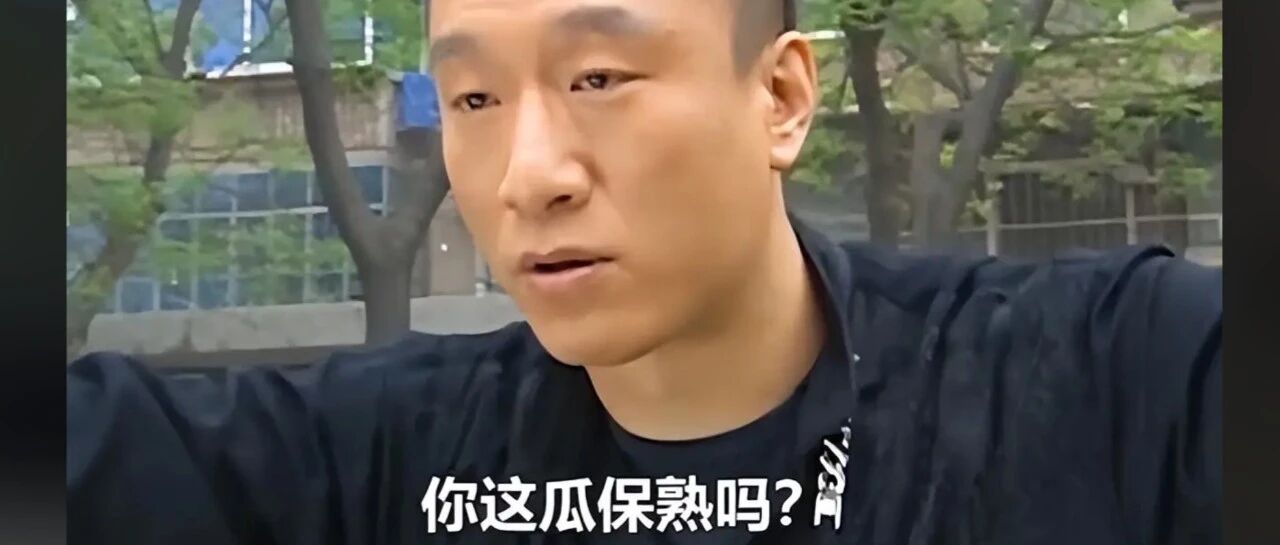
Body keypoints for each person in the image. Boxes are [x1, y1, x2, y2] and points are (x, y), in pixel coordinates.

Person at [66, 1, 1222, 544]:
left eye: (599, 80)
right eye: (473, 97)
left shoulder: (1115, 378)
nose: (529, 174)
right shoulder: (377, 460)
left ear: (779, 97)